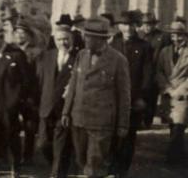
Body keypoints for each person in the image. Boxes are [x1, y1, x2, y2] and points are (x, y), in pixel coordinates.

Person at [62, 17, 131, 178]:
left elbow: (124, 95)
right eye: (85, 35)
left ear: (101, 39)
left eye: (89, 36)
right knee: (81, 161)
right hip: (78, 119)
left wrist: (122, 124)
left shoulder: (118, 60)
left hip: (101, 122)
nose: (85, 39)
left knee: (95, 165)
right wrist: (66, 111)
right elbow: (73, 85)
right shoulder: (81, 55)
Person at [0, 20, 31, 178]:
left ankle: (15, 168)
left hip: (9, 106)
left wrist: (16, 102)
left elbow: (26, 82)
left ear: (1, 37)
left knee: (11, 136)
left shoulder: (16, 54)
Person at [108, 11, 152, 177]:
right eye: (125, 24)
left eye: (132, 25)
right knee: (112, 133)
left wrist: (142, 97)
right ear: (119, 26)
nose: (128, 28)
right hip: (113, 97)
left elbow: (148, 74)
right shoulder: (112, 44)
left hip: (133, 97)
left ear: (136, 26)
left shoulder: (144, 46)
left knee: (128, 135)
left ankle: (122, 170)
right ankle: (111, 166)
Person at [36, 25, 77, 177]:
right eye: (59, 39)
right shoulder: (46, 56)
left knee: (60, 147)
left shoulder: (78, 58)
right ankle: (60, 165)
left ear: (71, 39)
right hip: (46, 109)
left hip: (65, 111)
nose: (63, 42)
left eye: (66, 39)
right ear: (54, 40)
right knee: (43, 145)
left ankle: (57, 173)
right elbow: (39, 82)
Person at [156, 20, 188, 164]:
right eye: (173, 35)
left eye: (179, 35)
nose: (176, 39)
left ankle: (173, 158)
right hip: (168, 93)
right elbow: (159, 72)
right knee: (172, 124)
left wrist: (181, 89)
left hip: (183, 94)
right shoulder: (165, 51)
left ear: (185, 36)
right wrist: (167, 88)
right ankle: (179, 153)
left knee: (179, 125)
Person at [13, 18, 41, 166]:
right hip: (13, 94)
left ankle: (28, 155)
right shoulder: (12, 51)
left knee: (30, 126)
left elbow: (38, 75)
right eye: (16, 32)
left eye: (22, 33)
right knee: (12, 124)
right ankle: (12, 154)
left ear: (29, 35)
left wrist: (34, 95)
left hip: (30, 95)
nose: (19, 35)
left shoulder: (36, 52)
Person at [139, 12, 172, 127]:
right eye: (145, 24)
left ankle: (148, 120)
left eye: (150, 24)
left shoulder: (162, 36)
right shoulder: (140, 36)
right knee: (141, 94)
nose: (147, 27)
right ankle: (141, 119)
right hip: (142, 70)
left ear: (154, 25)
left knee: (152, 96)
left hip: (156, 70)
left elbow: (168, 52)